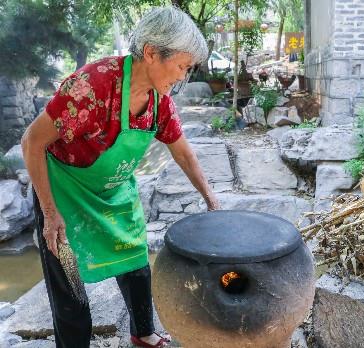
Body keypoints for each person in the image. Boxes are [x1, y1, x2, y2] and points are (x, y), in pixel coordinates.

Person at [21, 6, 219, 348]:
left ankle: (142, 334)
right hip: (63, 192)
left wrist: (212, 201)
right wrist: (50, 214)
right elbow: (31, 142)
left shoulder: (160, 102)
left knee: (137, 264)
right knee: (70, 287)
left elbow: (183, 152)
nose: (183, 77)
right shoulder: (92, 87)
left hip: (113, 191)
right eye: (182, 67)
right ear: (152, 53)